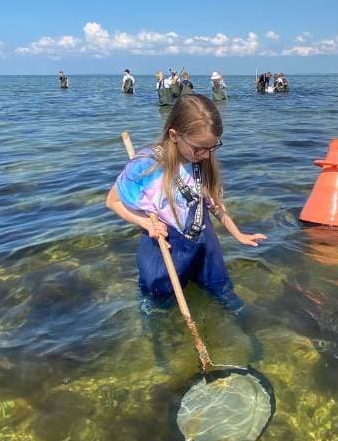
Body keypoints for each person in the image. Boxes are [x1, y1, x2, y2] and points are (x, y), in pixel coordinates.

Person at [106, 94, 267, 312]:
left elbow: (215, 204)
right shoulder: (147, 166)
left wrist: (238, 234)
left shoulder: (202, 161)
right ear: (174, 135)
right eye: (199, 148)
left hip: (203, 240)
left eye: (212, 147)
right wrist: (146, 224)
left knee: (225, 295)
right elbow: (113, 201)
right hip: (165, 243)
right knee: (159, 303)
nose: (207, 155)